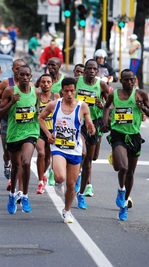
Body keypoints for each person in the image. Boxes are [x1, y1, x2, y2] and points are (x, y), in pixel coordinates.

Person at [38, 77, 95, 223]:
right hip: (58, 147)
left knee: (71, 185)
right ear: (62, 90)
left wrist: (90, 126)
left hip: (74, 149)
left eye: (72, 91)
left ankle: (67, 210)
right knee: (61, 177)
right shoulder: (54, 104)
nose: (69, 94)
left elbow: (88, 121)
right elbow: (40, 118)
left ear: (75, 90)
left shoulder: (82, 106)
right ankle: (57, 181)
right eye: (66, 91)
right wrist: (48, 133)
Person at [101, 69, 149, 221]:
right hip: (118, 135)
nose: (129, 82)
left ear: (135, 80)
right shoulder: (114, 95)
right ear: (121, 81)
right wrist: (105, 122)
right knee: (122, 167)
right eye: (126, 80)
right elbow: (106, 107)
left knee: (130, 172)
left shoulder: (141, 95)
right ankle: (120, 190)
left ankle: (124, 204)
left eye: (132, 80)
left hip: (135, 137)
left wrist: (142, 107)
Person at [0, 65, 39, 214]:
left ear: (31, 76)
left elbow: (38, 110)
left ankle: (25, 195)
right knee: (15, 167)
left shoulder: (36, 92)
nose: (25, 78)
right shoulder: (10, 91)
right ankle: (12, 194)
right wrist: (12, 103)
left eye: (28, 75)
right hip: (14, 133)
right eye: (22, 75)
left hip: (31, 132)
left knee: (26, 162)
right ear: (18, 76)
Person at [76, 59, 110, 207]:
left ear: (97, 71)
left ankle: (82, 193)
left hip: (94, 122)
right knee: (82, 153)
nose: (91, 71)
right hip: (78, 122)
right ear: (84, 70)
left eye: (94, 69)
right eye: (88, 68)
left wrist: (101, 106)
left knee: (90, 161)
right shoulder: (77, 82)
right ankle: (77, 177)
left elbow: (109, 106)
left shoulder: (101, 85)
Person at [0, 59, 27, 189]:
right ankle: (6, 163)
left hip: (23, 125)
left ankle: (14, 181)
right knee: (8, 152)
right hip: (7, 121)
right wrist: (7, 100)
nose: (20, 71)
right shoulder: (7, 83)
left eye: (22, 68)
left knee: (21, 156)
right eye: (17, 69)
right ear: (13, 69)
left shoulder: (30, 86)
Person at [35, 74, 59, 194]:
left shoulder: (56, 97)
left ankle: (44, 174)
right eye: (43, 82)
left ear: (52, 84)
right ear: (39, 84)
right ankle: (40, 182)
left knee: (48, 158)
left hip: (52, 131)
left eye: (48, 82)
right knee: (41, 153)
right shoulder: (36, 96)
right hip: (38, 130)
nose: (45, 84)